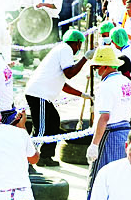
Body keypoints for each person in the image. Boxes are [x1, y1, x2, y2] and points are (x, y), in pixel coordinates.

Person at [24, 30, 88, 166]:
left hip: (43, 95)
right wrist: (85, 58)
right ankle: (28, 160)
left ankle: (45, 156)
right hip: (39, 94)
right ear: (77, 43)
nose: (79, 48)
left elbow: (62, 84)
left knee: (53, 122)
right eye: (80, 45)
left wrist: (81, 94)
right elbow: (69, 73)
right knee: (41, 129)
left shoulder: (61, 50)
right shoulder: (65, 49)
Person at [85, 45, 131, 200]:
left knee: (98, 179)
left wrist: (94, 144)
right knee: (119, 178)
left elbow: (104, 117)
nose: (96, 71)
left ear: (105, 66)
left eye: (97, 67)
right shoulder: (127, 83)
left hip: (109, 134)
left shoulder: (106, 86)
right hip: (125, 133)